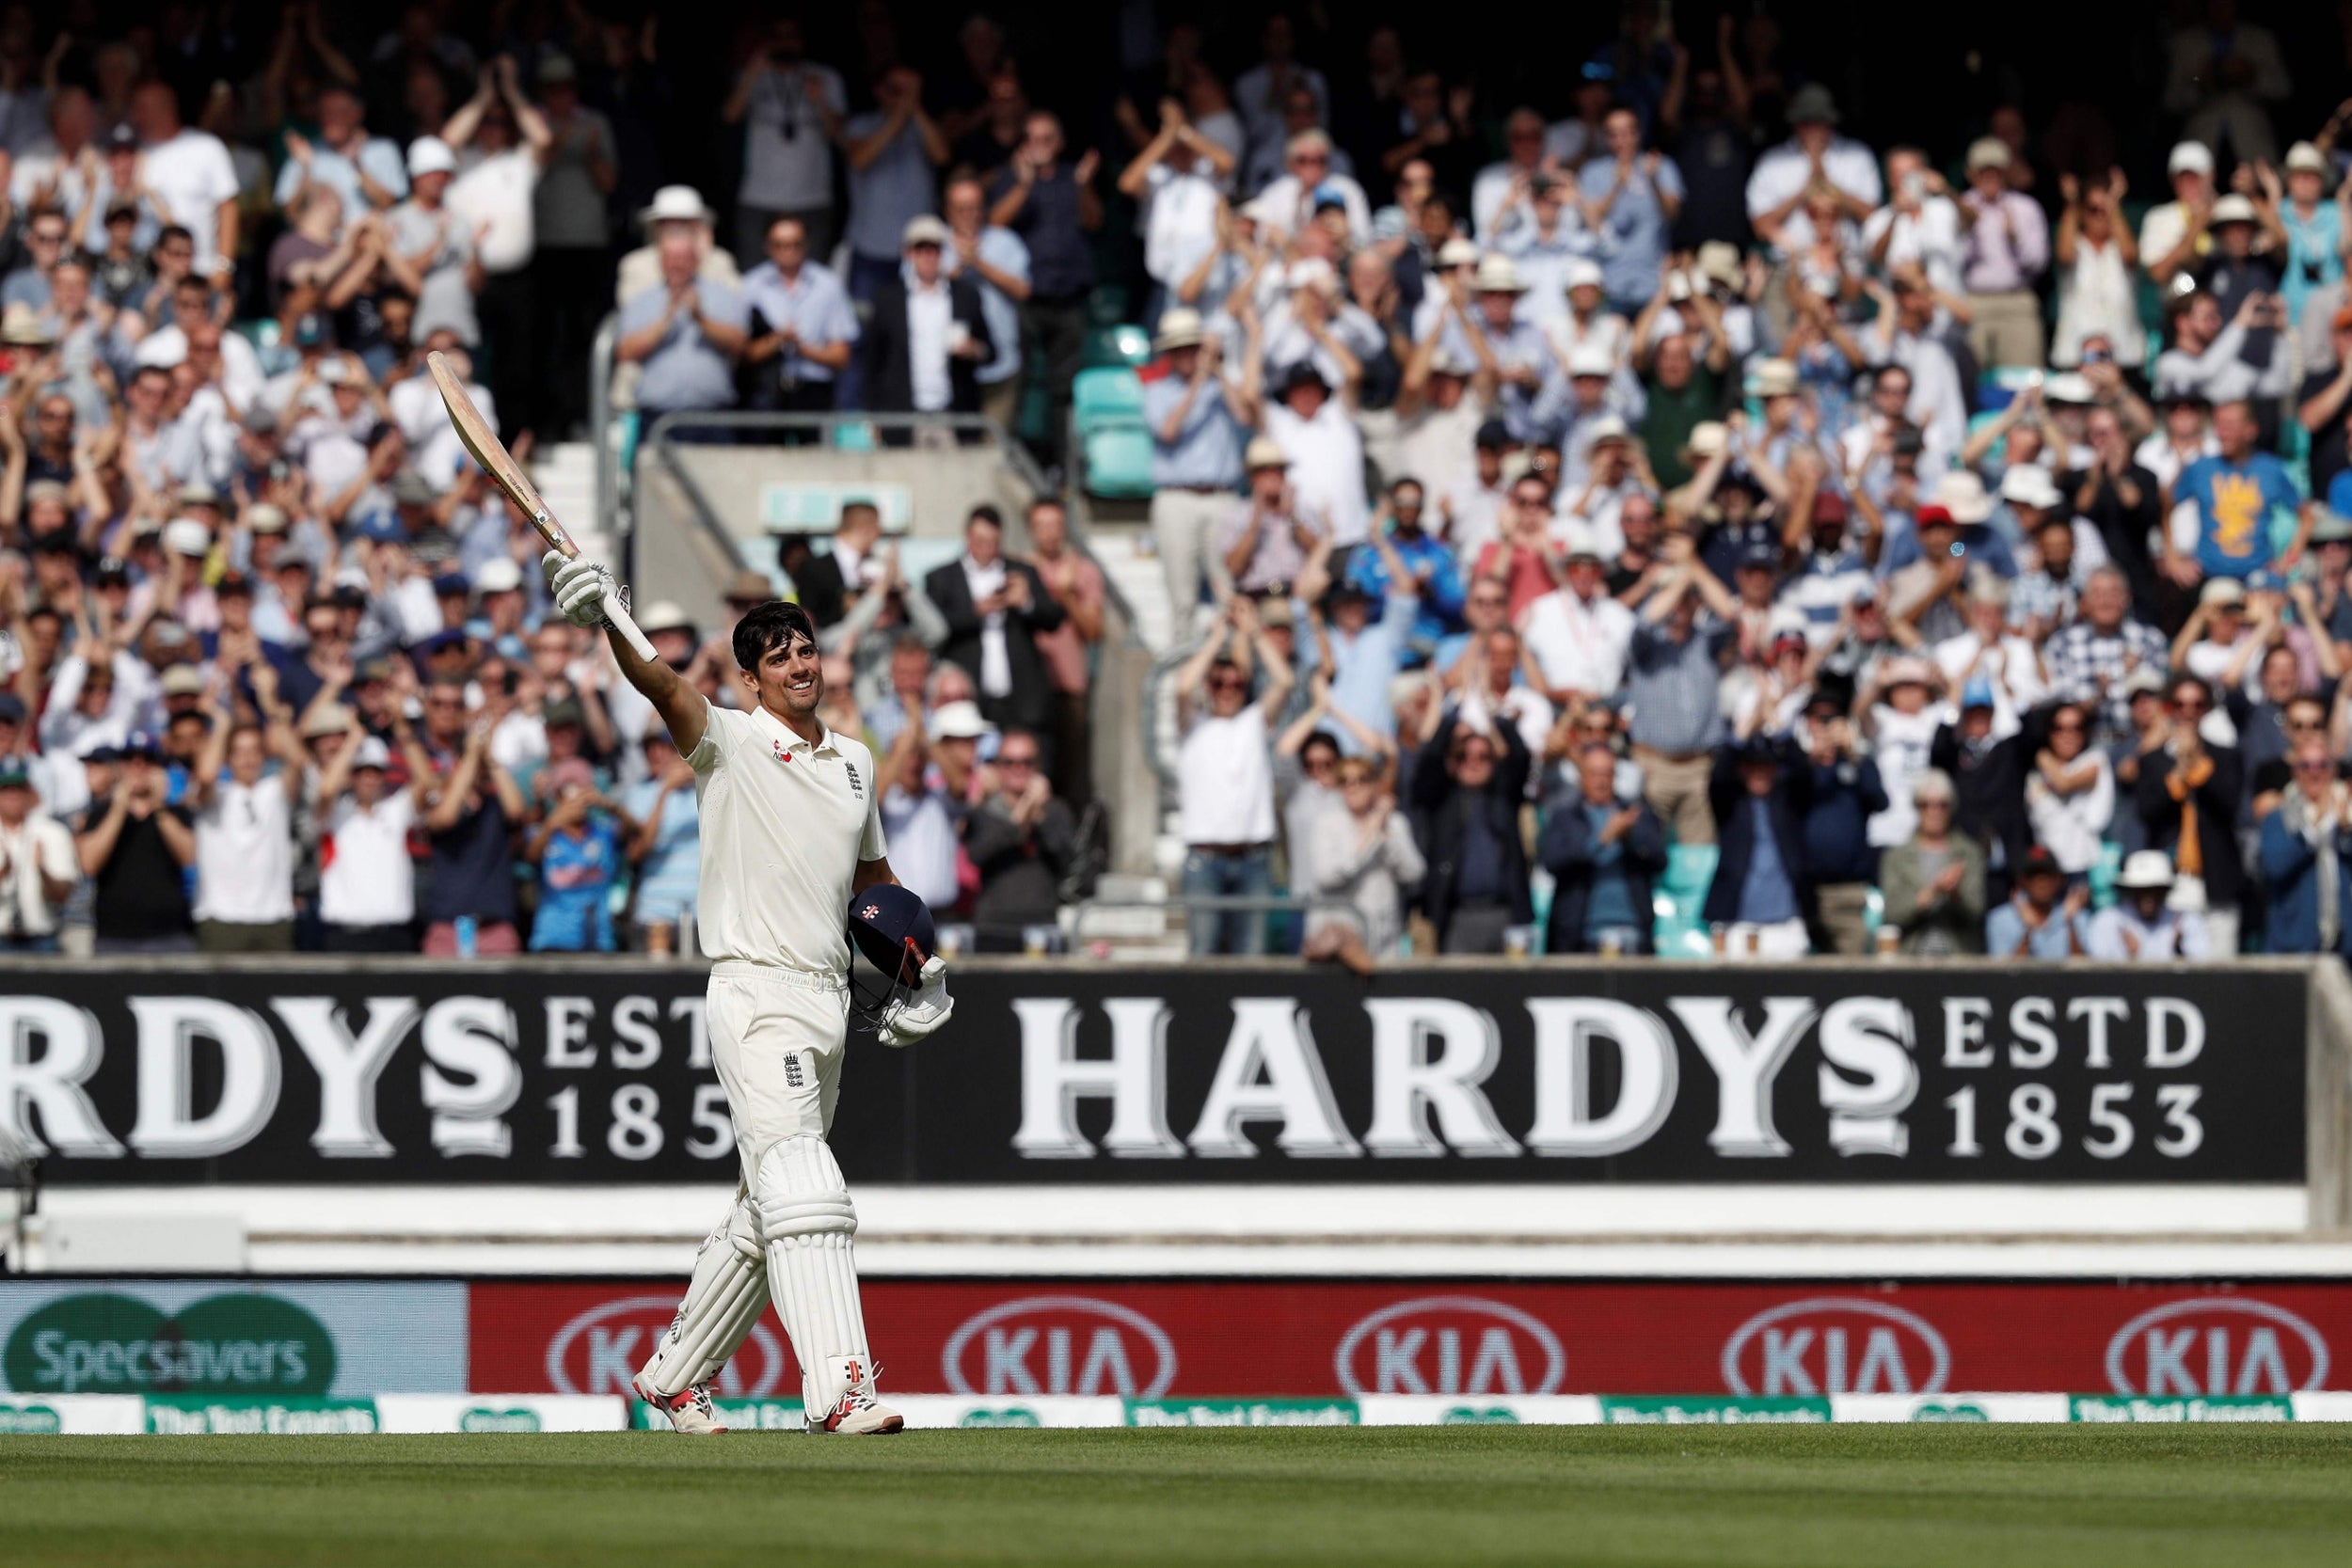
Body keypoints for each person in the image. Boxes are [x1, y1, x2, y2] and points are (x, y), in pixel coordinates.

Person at [541, 546, 945, 1437]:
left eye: (806, 646)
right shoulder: (727, 740)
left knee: (769, 1207)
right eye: (780, 655)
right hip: (754, 989)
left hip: (828, 996)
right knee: (806, 1180)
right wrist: (610, 615)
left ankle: (676, 1376)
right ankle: (838, 1389)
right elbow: (661, 685)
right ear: (754, 681)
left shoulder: (855, 762)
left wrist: (922, 973)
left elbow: (873, 886)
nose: (801, 661)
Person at [1174, 599, 1294, 956]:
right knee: (1203, 950)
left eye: (1235, 683)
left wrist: (1255, 635)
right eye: (1218, 683)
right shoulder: (1192, 726)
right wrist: (1215, 642)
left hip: (1253, 858)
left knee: (1252, 954)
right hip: (1204, 858)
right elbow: (1182, 688)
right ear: (1208, 687)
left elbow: (1284, 680)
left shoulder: (1253, 722)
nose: (1227, 689)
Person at [923, 506, 1065, 742]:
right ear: (968, 536)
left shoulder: (1022, 572)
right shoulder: (942, 578)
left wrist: (1026, 602)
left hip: (1020, 697)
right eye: (980, 540)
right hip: (969, 696)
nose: (986, 548)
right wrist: (975, 612)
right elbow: (933, 628)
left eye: (992, 541)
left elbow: (1054, 620)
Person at [186, 676, 305, 953]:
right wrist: (222, 724)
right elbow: (205, 775)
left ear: (264, 756)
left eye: (254, 752)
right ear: (227, 759)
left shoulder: (274, 792)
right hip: (221, 917)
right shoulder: (216, 794)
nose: (248, 759)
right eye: (239, 753)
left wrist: (270, 707)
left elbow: (298, 761)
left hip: (274, 916)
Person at [2137, 673, 2246, 955]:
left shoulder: (2226, 756)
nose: (2188, 712)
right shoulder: (2153, 760)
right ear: (2168, 708)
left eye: (2197, 705)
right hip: (2169, 881)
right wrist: (2177, 776)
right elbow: (2148, 813)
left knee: (2221, 973)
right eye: (2180, 705)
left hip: (2215, 880)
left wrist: (2197, 766)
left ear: (2206, 709)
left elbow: (2229, 806)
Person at [1411, 705, 1534, 953]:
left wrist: (1495, 715)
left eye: (1483, 756)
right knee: (1460, 989)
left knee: (1511, 990)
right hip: (1457, 915)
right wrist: (1453, 713)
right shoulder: (1441, 799)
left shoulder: (1504, 796)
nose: (1473, 763)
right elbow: (1430, 759)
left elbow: (1521, 756)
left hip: (1505, 913)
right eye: (1463, 757)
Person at [75, 732, 197, 954]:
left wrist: (159, 806)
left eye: (147, 761)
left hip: (170, 936)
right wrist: (119, 807)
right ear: (119, 767)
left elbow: (188, 857)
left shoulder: (176, 812)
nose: (138, 767)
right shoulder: (101, 813)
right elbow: (89, 864)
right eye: (130, 760)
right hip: (114, 937)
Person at [1540, 742, 1666, 956]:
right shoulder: (1565, 817)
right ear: (1581, 777)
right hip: (1581, 937)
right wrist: (1601, 840)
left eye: (1607, 774)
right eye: (1594, 774)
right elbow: (1552, 861)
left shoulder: (1634, 814)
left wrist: (1629, 838)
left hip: (1633, 935)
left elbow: (1660, 860)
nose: (1601, 781)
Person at [860, 215, 992, 418]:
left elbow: (990, 351)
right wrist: (873, 416)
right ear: (908, 254)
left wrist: (973, 349)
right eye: (920, 250)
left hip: (953, 414)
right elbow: (873, 362)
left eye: (935, 249)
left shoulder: (965, 296)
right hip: (902, 417)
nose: (928, 256)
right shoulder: (888, 299)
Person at [1304, 752, 1426, 970]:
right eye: (1345, 781)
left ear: (1374, 785)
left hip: (1386, 940)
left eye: (1362, 779)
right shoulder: (1326, 825)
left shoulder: (1394, 823)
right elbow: (1327, 877)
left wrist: (1386, 832)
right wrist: (1369, 836)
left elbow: (1414, 872)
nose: (1353, 787)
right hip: (1342, 948)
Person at [962, 727, 1076, 949]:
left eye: (1027, 762)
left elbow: (1065, 857)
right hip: (994, 925)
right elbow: (978, 854)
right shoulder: (985, 811)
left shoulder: (1055, 811)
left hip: (1042, 925)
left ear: (1038, 766)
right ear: (998, 766)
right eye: (1010, 762)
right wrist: (1022, 814)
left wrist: (1039, 817)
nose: (1019, 769)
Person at [312, 728, 421, 953]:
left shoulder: (397, 810)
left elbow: (425, 780)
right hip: (344, 934)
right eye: (361, 773)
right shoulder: (336, 814)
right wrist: (353, 742)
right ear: (351, 777)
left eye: (376, 773)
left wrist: (402, 728)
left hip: (394, 934)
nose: (369, 780)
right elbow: (326, 790)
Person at [1703, 736, 1812, 958]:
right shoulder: (1731, 806)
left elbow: (1804, 774)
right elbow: (1718, 777)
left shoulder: (1788, 804)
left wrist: (1784, 733)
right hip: (1737, 923)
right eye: (1752, 766)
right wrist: (1737, 739)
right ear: (1741, 770)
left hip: (1785, 923)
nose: (1759, 772)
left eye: (1766, 765)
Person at [2257, 740, 2352, 958]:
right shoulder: (2279, 818)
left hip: (2344, 947)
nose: (2314, 773)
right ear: (2295, 772)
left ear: (2333, 770)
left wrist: (2344, 829)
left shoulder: (2346, 819)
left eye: (2322, 765)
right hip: (2293, 945)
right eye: (2306, 766)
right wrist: (2314, 830)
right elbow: (2275, 867)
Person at [1877, 768, 1987, 954]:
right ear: (1917, 807)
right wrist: (1933, 891)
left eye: (1942, 804)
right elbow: (1891, 914)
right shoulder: (1896, 856)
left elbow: (1977, 911)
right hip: (1912, 956)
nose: (1934, 811)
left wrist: (1955, 895)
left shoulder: (1969, 853)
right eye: (1925, 804)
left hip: (1958, 955)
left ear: (1951, 807)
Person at [621, 728, 701, 954]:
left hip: (701, 913)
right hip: (654, 910)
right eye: (649, 748)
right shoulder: (639, 795)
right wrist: (665, 791)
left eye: (664, 747)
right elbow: (638, 852)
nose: (656, 754)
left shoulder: (708, 788)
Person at [0, 762, 78, 952]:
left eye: (19, 791)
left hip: (42, 938)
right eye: (6, 791)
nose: (13, 797)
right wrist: (3, 873)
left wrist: (42, 871)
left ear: (30, 795)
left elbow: (63, 896)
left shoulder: (53, 832)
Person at [2087, 849, 2209, 959]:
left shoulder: (2186, 920)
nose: (2148, 897)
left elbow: (2202, 970)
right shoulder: (2107, 921)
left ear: (2165, 890)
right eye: (2141, 889)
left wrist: (2180, 954)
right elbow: (2099, 975)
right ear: (2131, 890)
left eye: (2155, 888)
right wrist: (2130, 960)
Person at [1985, 845, 2090, 958]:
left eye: (2048, 876)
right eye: (2033, 876)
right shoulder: (2000, 919)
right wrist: (2028, 929)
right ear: (2022, 881)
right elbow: (2003, 974)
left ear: (2060, 880)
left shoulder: (2078, 917)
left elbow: (2083, 972)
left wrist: (2070, 924)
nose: (2041, 882)